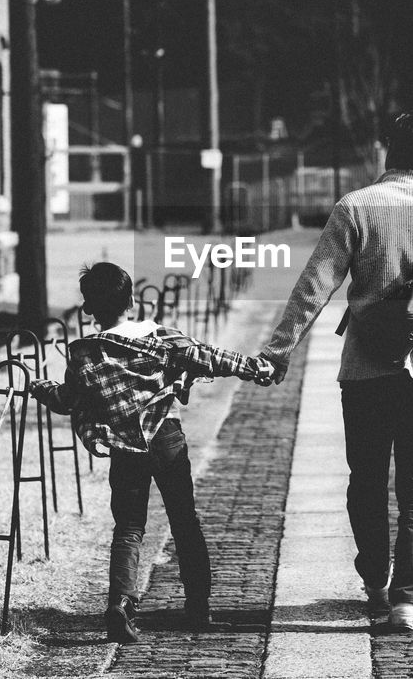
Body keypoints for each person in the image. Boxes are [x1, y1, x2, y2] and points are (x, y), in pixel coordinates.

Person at [258, 110, 413, 631]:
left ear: (389, 149)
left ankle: (374, 581)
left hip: (365, 370)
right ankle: (407, 600)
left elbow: (313, 287)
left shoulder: (355, 208)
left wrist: (279, 350)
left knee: (365, 479)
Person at [29, 262, 275, 643]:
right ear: (131, 301)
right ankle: (198, 608)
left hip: (125, 447)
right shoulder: (161, 337)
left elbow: (67, 400)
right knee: (185, 521)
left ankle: (120, 606)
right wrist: (256, 367)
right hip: (165, 437)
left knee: (129, 527)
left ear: (89, 309)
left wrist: (41, 388)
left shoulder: (84, 355)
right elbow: (210, 357)